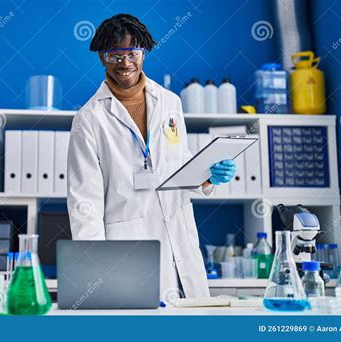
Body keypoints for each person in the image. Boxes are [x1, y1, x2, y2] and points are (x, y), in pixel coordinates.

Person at [67, 14, 237, 299]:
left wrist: (207, 178)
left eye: (133, 53)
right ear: (101, 58)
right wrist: (96, 271)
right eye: (114, 55)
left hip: (179, 240)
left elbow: (177, 162)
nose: (125, 63)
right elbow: (84, 203)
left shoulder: (170, 102)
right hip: (127, 252)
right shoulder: (89, 119)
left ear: (143, 53)